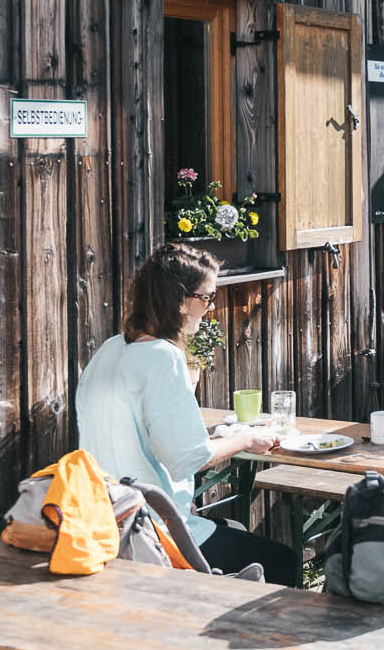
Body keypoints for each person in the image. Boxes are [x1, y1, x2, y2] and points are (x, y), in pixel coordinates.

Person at [75, 243, 296, 584]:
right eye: (206, 297)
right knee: (283, 560)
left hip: (104, 516)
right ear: (178, 300)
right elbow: (187, 458)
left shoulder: (110, 350)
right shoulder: (163, 358)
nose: (210, 307)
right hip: (149, 530)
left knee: (233, 529)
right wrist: (247, 438)